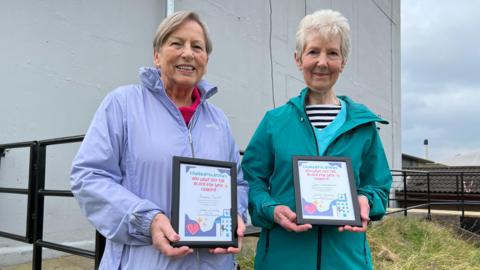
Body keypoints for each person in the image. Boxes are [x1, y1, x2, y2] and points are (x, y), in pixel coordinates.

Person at [70, 10, 248, 270]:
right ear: (157, 56)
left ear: (205, 60)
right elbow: (88, 176)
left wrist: (236, 215)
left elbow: (239, 183)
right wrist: (147, 220)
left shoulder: (219, 120)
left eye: (197, 46)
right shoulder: (123, 104)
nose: (187, 53)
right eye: (176, 43)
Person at [241, 9, 392, 270]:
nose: (322, 62)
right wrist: (272, 209)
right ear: (298, 59)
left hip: (346, 261)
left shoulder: (364, 127)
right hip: (282, 259)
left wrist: (367, 200)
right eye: (313, 52)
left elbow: (378, 186)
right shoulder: (274, 122)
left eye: (332, 53)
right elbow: (251, 182)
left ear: (343, 62)